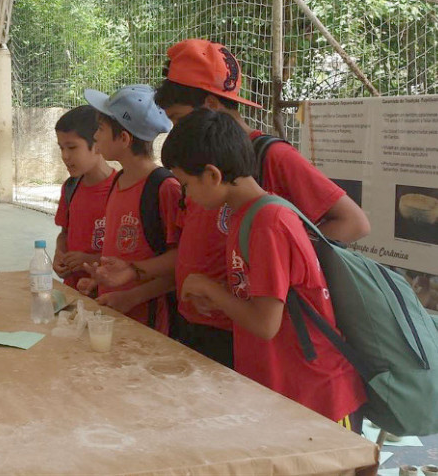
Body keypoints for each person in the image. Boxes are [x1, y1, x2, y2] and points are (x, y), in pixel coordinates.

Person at [163, 108, 366, 429]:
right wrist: (217, 300)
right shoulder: (244, 215)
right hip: (281, 392)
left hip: (316, 400)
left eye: (186, 184)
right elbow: (257, 299)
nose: (185, 195)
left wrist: (209, 288)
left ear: (213, 175)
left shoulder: (268, 222)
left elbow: (265, 323)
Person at [153, 38, 370, 244]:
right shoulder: (196, 160)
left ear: (211, 105)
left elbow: (354, 222)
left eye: (178, 118)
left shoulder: (273, 156)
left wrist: (278, 257)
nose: (176, 129)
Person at [77, 85, 181, 335]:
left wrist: (132, 297)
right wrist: (99, 281)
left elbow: (178, 261)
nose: (95, 136)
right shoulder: (119, 179)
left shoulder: (164, 188)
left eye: (101, 129)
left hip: (149, 322)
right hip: (115, 314)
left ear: (124, 139)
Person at [52, 106, 116, 292]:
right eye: (61, 148)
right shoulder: (70, 187)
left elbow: (132, 257)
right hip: (72, 293)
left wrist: (89, 260)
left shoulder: (121, 190)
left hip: (108, 297)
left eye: (72, 147)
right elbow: (64, 232)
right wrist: (59, 254)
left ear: (97, 145)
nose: (65, 156)